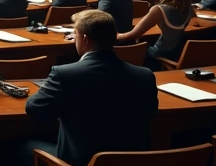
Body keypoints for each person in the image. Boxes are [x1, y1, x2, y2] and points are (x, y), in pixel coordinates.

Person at [23, 10, 157, 166]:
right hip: (131, 160)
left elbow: (35, 110)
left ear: (85, 39)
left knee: (19, 147)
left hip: (81, 162)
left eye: (75, 35)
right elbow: (150, 113)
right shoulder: (145, 75)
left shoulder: (64, 74)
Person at [117, 0, 193, 69]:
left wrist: (117, 35)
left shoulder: (159, 10)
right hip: (176, 52)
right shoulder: (190, 9)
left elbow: (133, 35)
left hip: (157, 55)